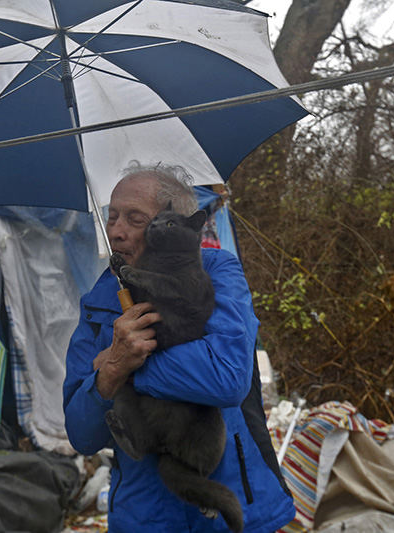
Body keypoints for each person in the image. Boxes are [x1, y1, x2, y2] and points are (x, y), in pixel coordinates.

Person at [63, 162, 295, 532]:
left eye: (135, 219)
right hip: (144, 517)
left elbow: (227, 378)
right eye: (112, 217)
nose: (116, 232)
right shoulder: (99, 302)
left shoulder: (217, 272)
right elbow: (82, 433)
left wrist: (124, 366)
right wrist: (110, 371)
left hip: (234, 511)